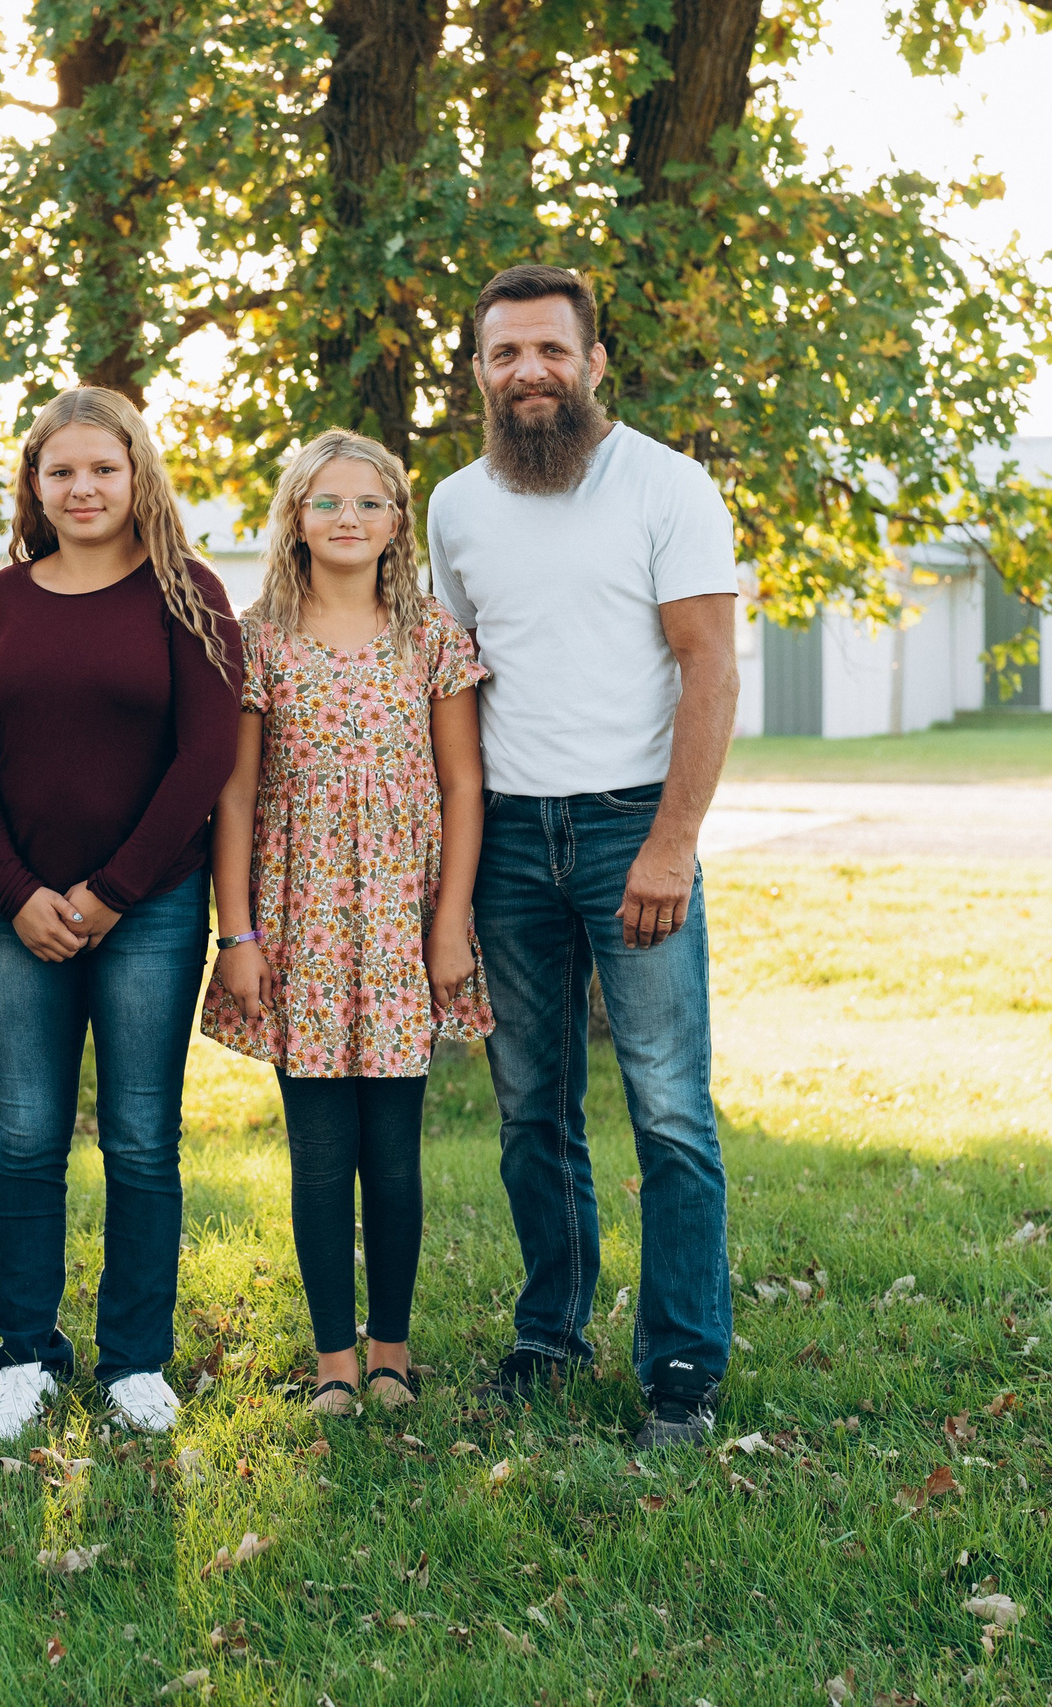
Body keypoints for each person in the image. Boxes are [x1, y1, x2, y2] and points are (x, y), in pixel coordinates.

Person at [427, 263, 740, 1449]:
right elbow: (456, 686)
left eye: (550, 350)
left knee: (668, 1111)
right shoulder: (454, 505)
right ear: (480, 373)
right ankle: (549, 1337)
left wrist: (671, 843)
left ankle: (680, 1370)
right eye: (503, 355)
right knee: (529, 1112)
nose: (528, 373)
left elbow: (708, 667)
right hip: (506, 835)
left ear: (595, 360)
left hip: (629, 829)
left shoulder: (667, 487)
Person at [0, 386, 243, 1444]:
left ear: (136, 477)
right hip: (20, 914)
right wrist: (16, 893)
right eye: (60, 471)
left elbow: (205, 758)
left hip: (150, 910)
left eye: (102, 469)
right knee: (25, 1140)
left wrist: (112, 892)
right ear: (34, 484)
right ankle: (24, 1355)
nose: (81, 488)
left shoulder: (189, 595)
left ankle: (133, 1363)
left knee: (140, 1141)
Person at [202, 428, 494, 1417]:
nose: (347, 519)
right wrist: (235, 933)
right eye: (326, 502)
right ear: (294, 516)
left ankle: (392, 1351)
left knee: (394, 1153)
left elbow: (463, 784)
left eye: (368, 503)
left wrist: (450, 920)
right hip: (299, 920)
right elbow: (234, 796)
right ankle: (333, 1357)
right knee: (321, 1153)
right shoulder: (256, 639)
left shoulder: (430, 636)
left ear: (396, 523)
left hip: (404, 920)